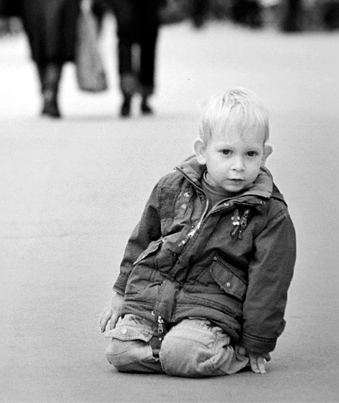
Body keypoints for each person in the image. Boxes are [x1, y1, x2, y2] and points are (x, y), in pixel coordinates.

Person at [99, 87, 296, 377]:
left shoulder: (268, 213)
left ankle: (215, 353)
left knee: (183, 352)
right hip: (155, 302)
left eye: (251, 154)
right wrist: (121, 293)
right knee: (119, 351)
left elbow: (270, 282)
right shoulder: (171, 187)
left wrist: (256, 342)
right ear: (202, 151)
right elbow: (141, 241)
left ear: (264, 155)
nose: (238, 166)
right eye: (226, 152)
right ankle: (169, 350)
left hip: (212, 311)